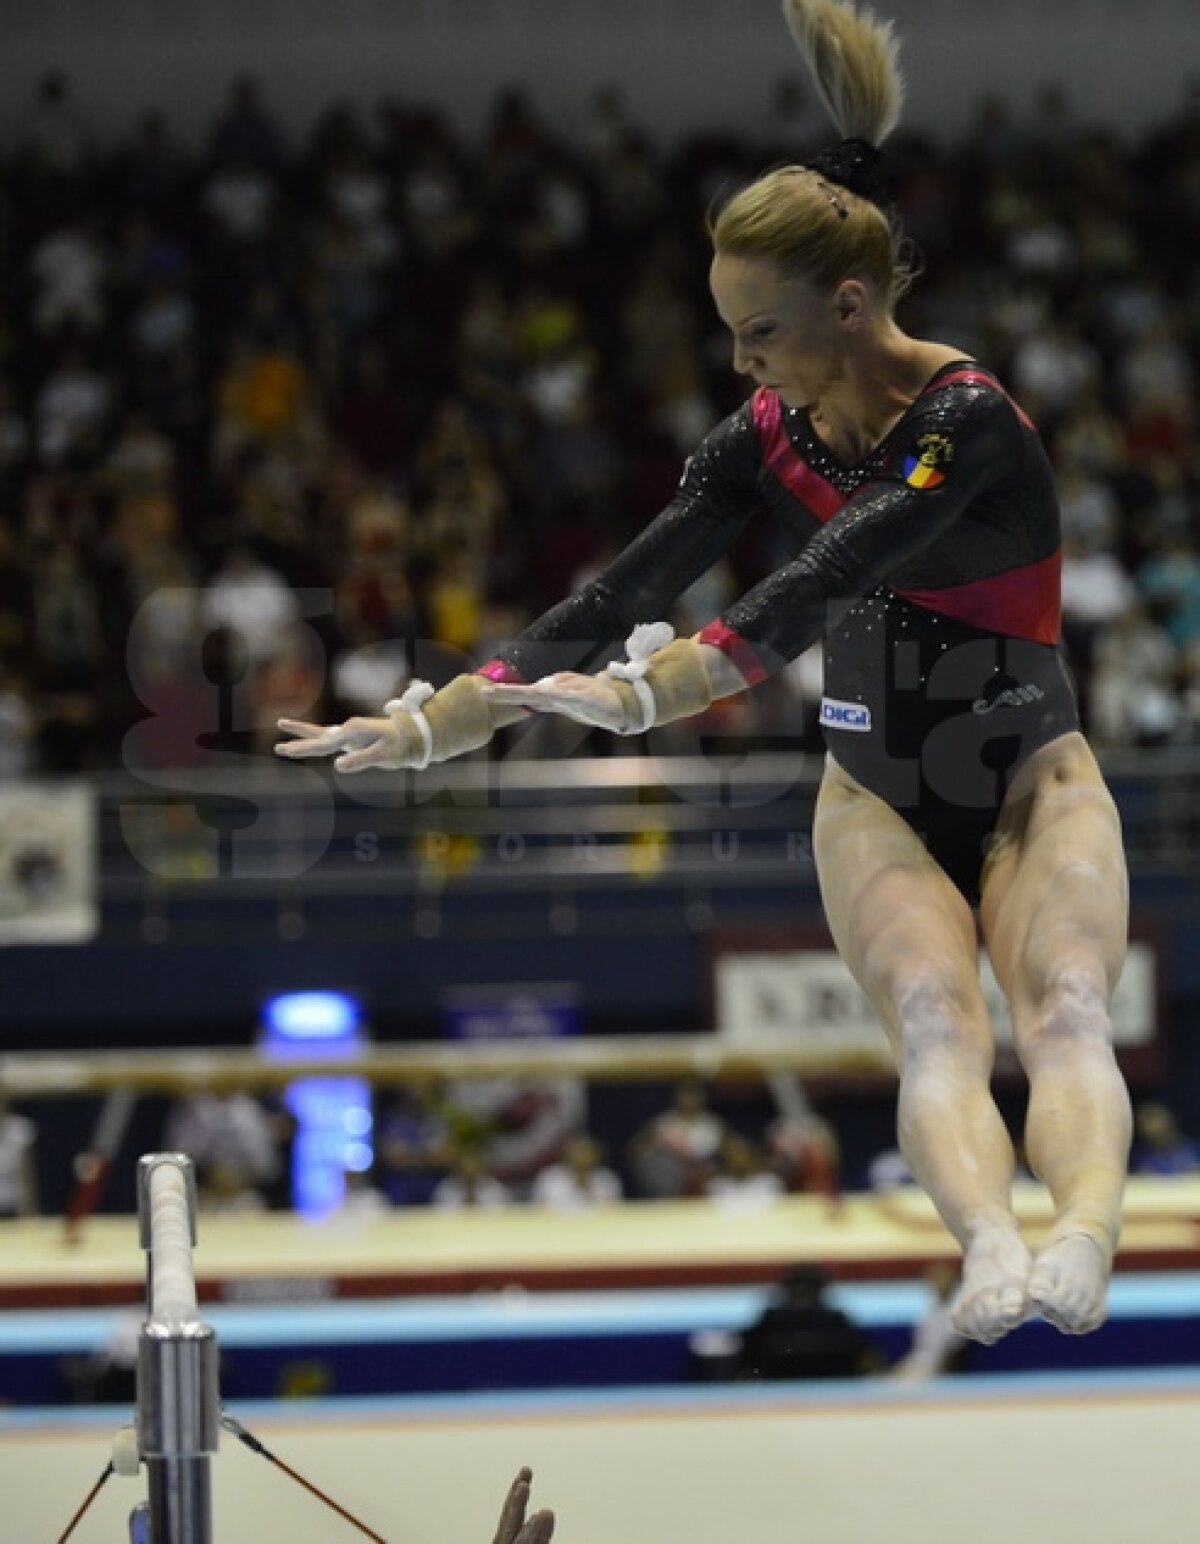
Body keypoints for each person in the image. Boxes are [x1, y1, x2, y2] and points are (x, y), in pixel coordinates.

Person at [276, 0, 1133, 1345]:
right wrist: (440, 717)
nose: (742, 364)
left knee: (1067, 1006)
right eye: (732, 334)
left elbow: (823, 581)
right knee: (931, 1019)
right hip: (879, 793)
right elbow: (616, 589)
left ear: (851, 306)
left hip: (1032, 781)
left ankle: (1084, 1230)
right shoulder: (766, 430)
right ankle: (987, 1248)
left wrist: (647, 694)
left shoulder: (969, 422)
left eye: (763, 334)